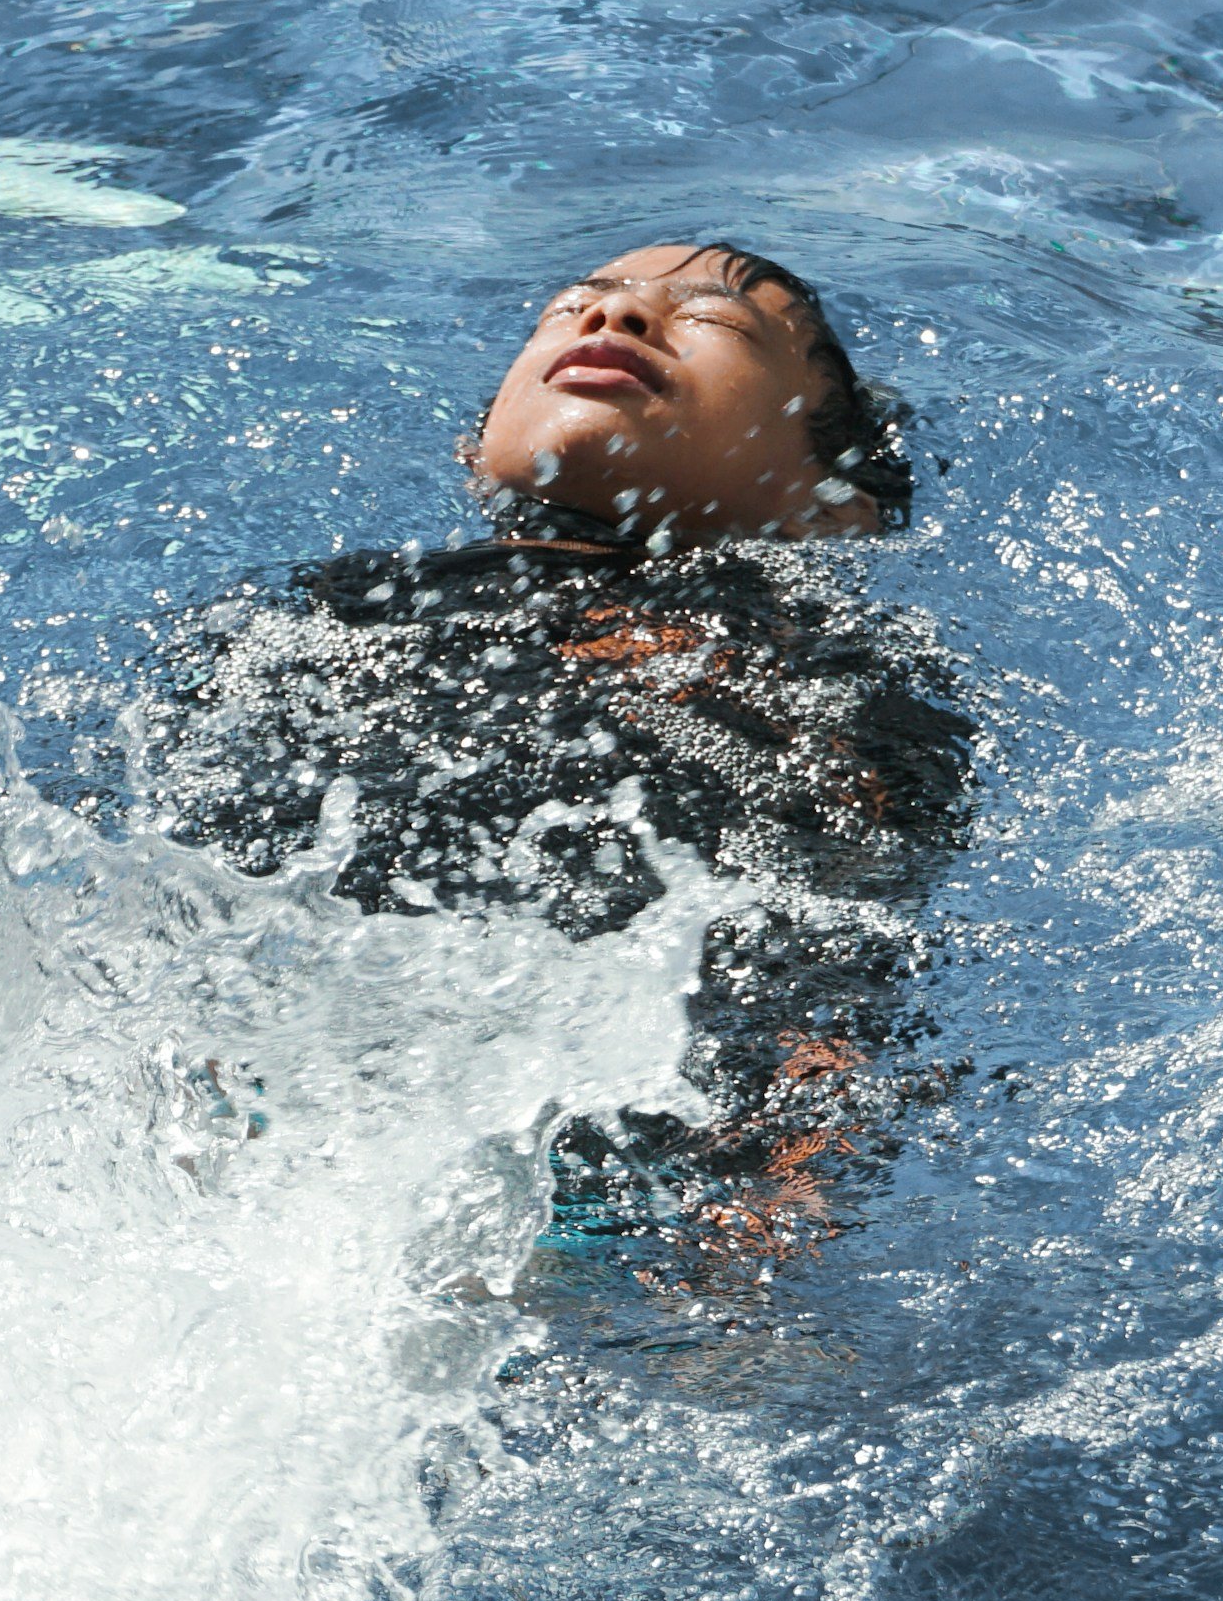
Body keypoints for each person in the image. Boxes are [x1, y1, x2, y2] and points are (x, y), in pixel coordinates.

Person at [151, 242, 974, 1263]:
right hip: (259, 1114)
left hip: (608, 1197)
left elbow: (847, 931)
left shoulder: (825, 672)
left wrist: (786, 1178)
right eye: (571, 307)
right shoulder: (328, 609)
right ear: (477, 449)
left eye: (712, 321)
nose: (612, 322)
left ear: (832, 504)